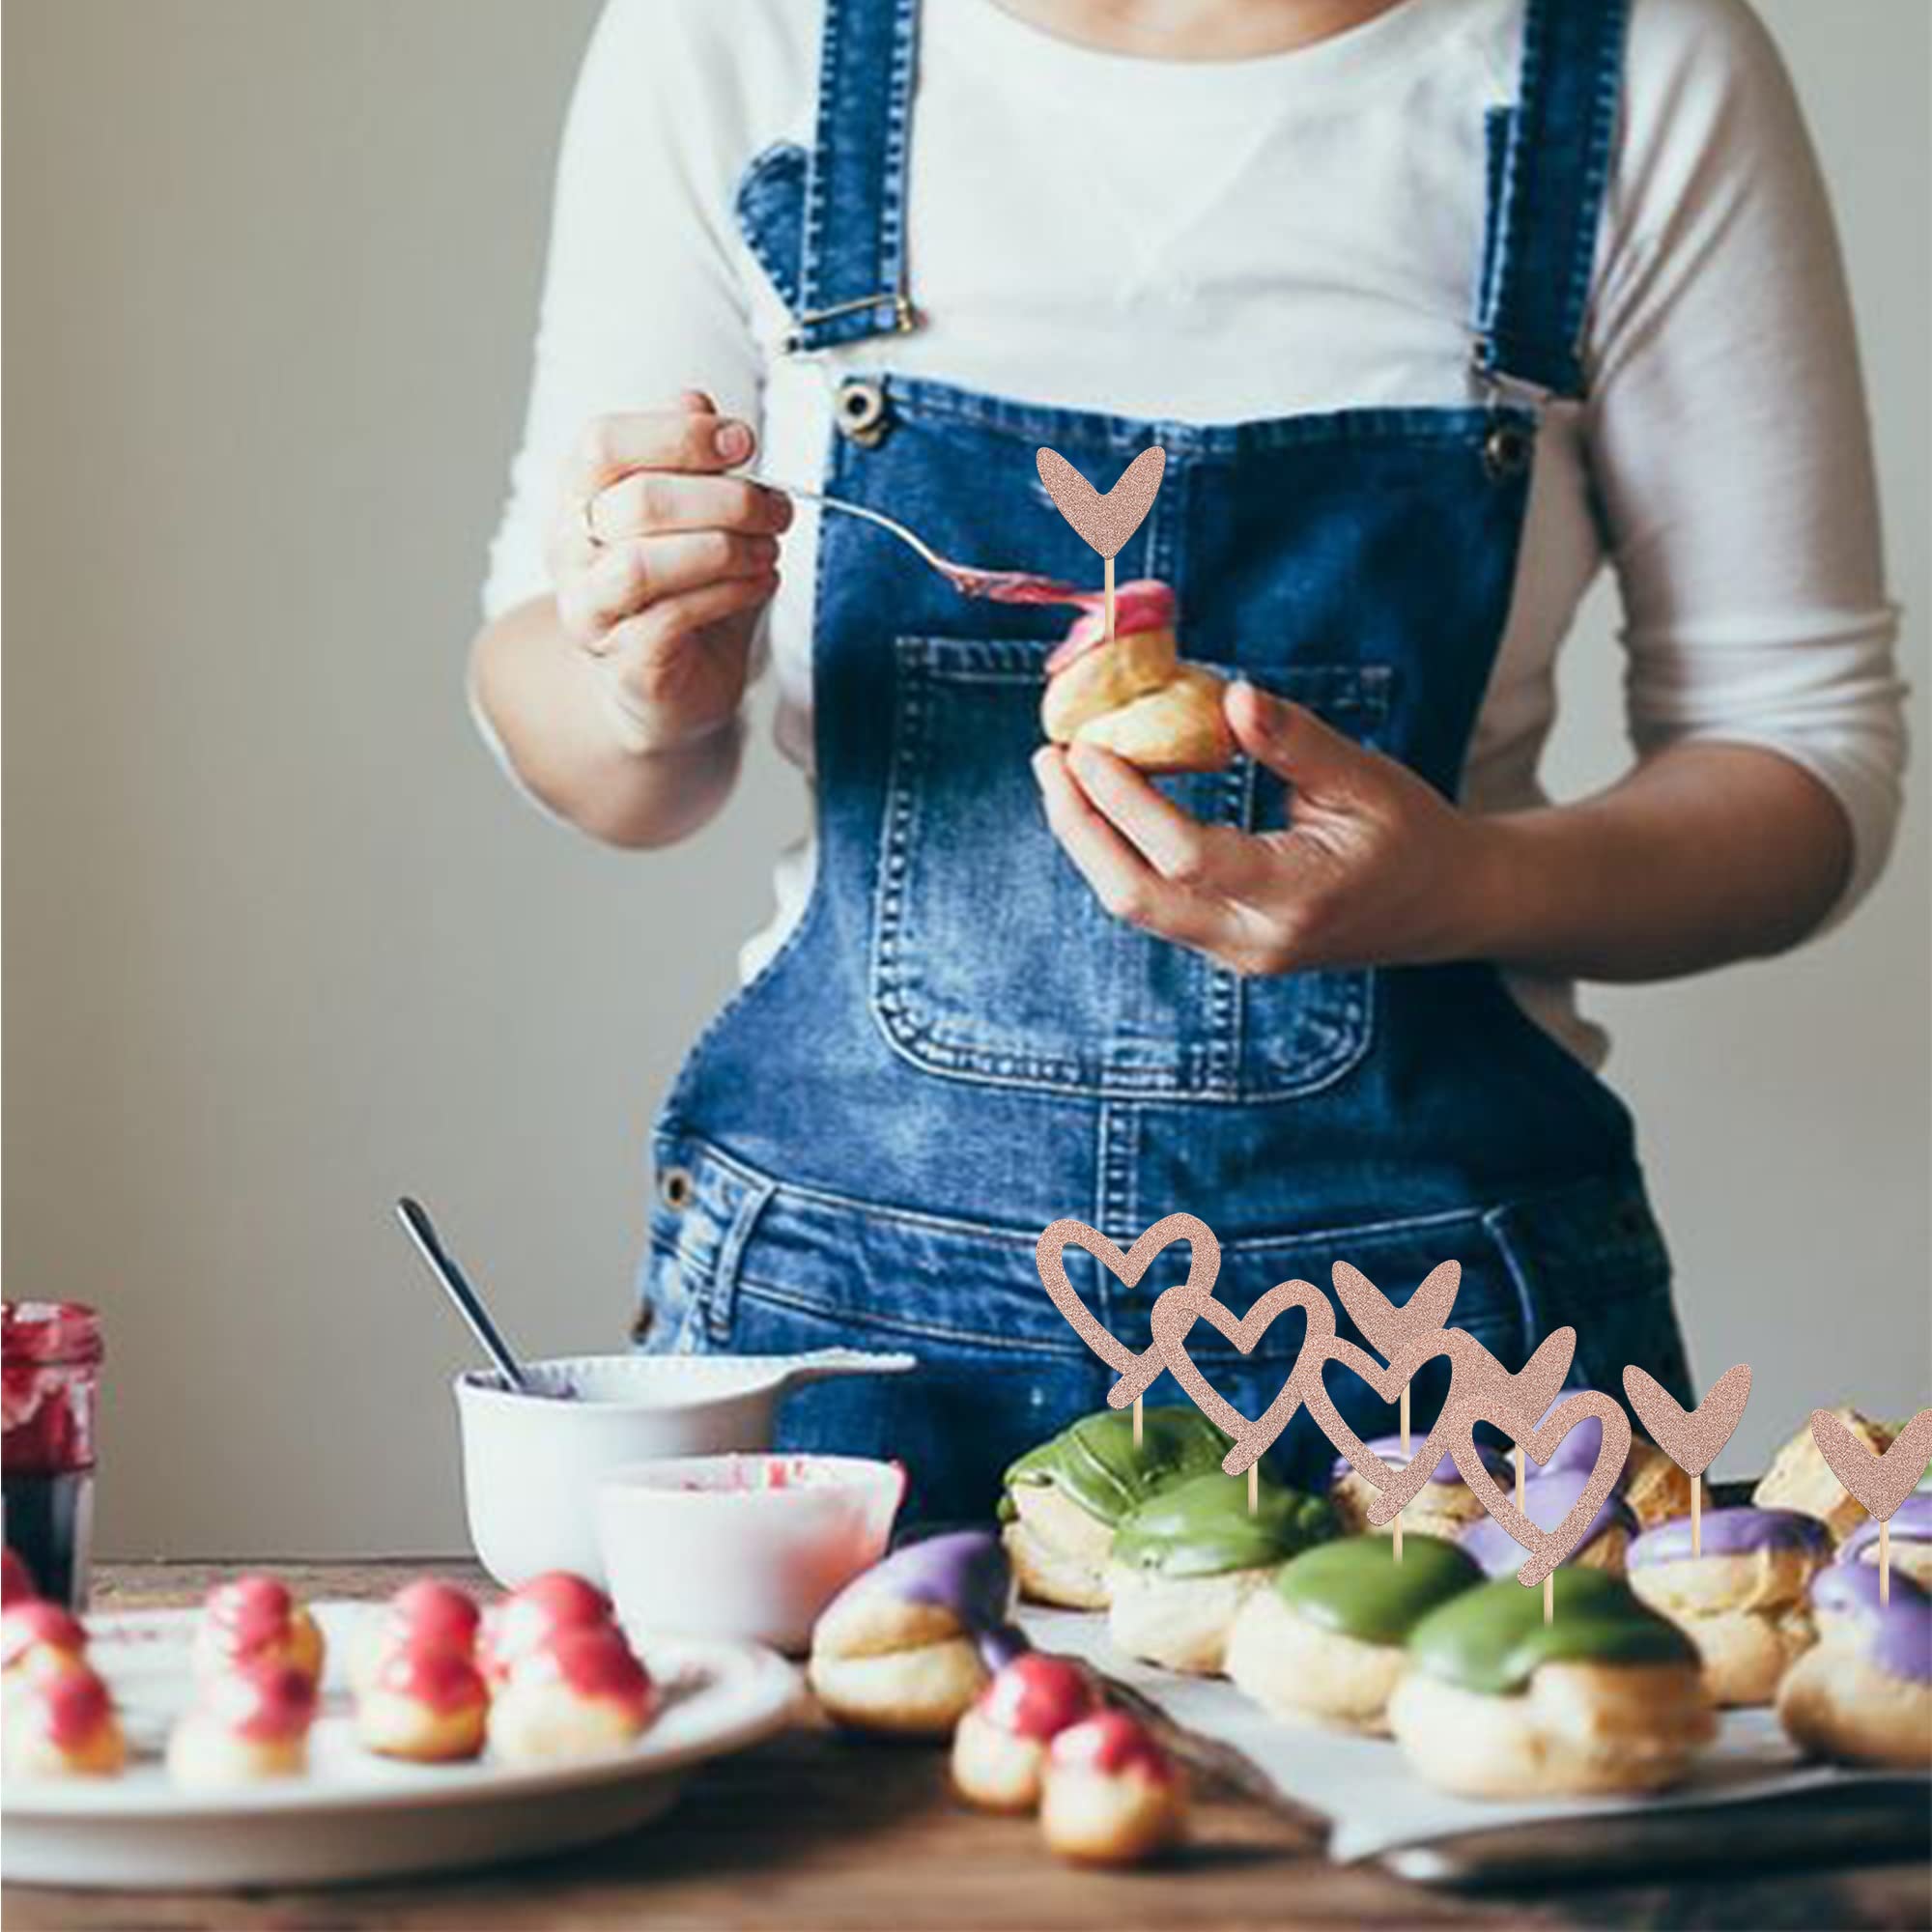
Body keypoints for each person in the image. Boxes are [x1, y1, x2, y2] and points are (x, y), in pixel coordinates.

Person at [470, 0, 1905, 1519]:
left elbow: (1802, 758)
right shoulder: (742, 41)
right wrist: (642, 682)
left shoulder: (1628, 67)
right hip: (842, 1342)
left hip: (1446, 1366)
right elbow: (598, 750)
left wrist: (1461, 886)